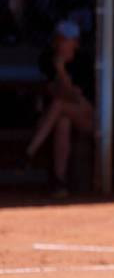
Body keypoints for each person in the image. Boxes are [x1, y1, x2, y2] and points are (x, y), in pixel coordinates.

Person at [24, 20, 94, 197]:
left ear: (76, 43)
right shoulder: (47, 59)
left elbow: (76, 97)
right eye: (59, 39)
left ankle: (30, 150)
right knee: (62, 120)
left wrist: (61, 71)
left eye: (66, 40)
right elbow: (52, 91)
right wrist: (59, 74)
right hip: (59, 113)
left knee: (59, 105)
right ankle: (59, 181)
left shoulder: (84, 61)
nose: (61, 44)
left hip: (89, 115)